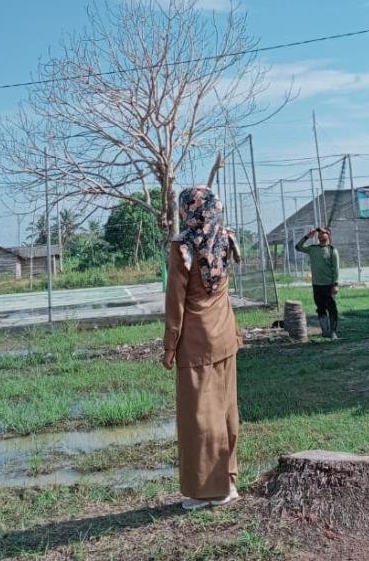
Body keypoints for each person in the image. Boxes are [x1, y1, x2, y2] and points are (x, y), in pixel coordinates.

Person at [163, 186, 241, 510]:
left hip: (195, 343)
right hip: (225, 335)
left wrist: (169, 347)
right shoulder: (226, 238)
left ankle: (208, 491)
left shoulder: (182, 248)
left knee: (199, 419)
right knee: (226, 411)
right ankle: (230, 481)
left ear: (187, 210)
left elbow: (176, 303)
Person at [295, 227, 340, 339]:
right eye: (319, 235)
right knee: (320, 308)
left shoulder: (332, 250)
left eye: (323, 234)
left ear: (328, 235)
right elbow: (298, 247)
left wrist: (335, 284)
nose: (321, 237)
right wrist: (307, 237)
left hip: (328, 285)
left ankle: (333, 332)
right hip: (317, 285)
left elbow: (336, 269)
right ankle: (325, 331)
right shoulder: (312, 249)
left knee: (332, 309)